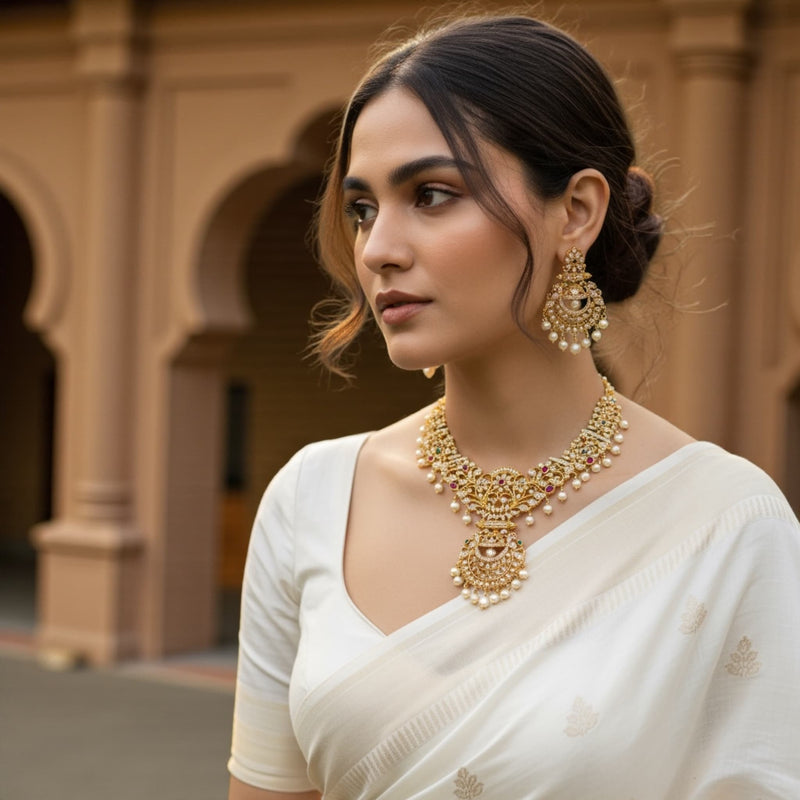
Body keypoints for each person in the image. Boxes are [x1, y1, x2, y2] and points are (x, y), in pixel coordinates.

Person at [227, 13, 800, 800]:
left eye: (431, 195)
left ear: (576, 212)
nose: (378, 248)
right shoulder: (314, 499)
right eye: (363, 208)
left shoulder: (726, 527)